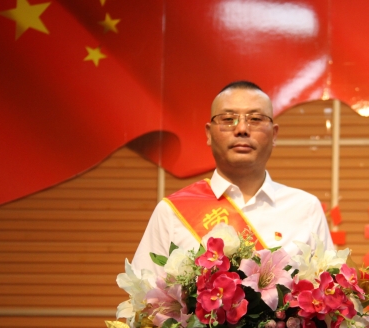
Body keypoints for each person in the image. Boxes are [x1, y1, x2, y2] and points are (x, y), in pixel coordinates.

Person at [132, 81, 332, 282]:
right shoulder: (171, 213)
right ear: (209, 134)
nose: (242, 129)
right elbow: (144, 295)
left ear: (274, 134)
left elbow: (327, 292)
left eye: (255, 119)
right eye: (228, 119)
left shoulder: (306, 209)